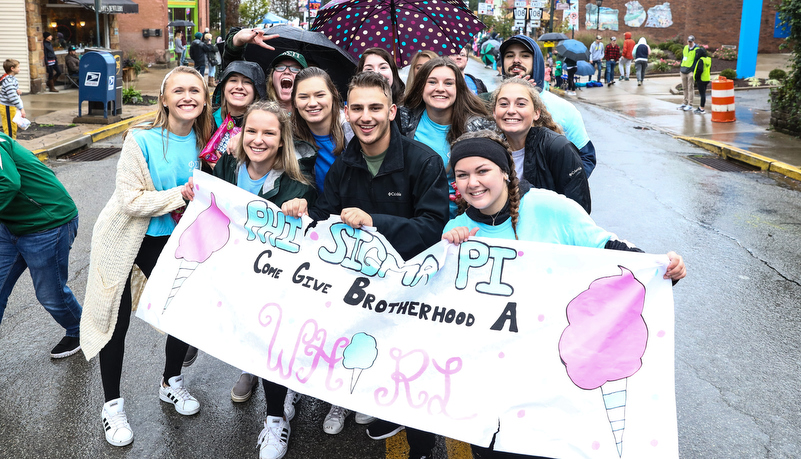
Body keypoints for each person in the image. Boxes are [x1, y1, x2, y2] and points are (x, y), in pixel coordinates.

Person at [442, 131, 686, 459]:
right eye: (462, 175)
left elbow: (611, 253)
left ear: (504, 170)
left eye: (482, 170)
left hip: (554, 376)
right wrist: (450, 246)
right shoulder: (455, 233)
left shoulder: (550, 207)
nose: (472, 182)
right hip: (492, 385)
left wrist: (661, 269)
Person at [281, 71, 449, 459]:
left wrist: (375, 222)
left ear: (392, 110)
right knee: (377, 371)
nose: (365, 116)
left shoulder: (424, 162)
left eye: (375, 107)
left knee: (413, 379)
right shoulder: (343, 164)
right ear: (347, 112)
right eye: (356, 108)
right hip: (361, 293)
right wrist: (301, 212)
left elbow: (434, 229)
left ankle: (423, 449)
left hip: (413, 292)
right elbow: (323, 220)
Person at [80, 66, 213, 447]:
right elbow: (131, 200)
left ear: (205, 100)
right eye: (179, 91)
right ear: (164, 98)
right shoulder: (140, 139)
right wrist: (181, 195)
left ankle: (171, 382)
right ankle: (112, 406)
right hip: (127, 239)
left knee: (181, 317)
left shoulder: (209, 143)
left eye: (195, 91)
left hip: (174, 245)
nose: (187, 97)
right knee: (114, 321)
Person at [182, 101, 316, 459]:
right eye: (252, 131)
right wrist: (194, 194)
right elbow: (209, 205)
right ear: (241, 134)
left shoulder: (296, 182)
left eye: (269, 132)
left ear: (282, 138)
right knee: (249, 344)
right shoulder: (226, 164)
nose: (259, 139)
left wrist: (299, 208)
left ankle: (275, 421)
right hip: (232, 275)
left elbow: (303, 232)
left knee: (270, 344)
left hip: (272, 284)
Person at [0, 133, 82, 358]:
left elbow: (8, 182)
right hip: (10, 223)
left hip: (47, 223)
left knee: (50, 295)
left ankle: (79, 330)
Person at [399, 57, 494, 218]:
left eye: (448, 83)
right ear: (421, 86)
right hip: (416, 219)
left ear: (459, 88)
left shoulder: (479, 128)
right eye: (432, 82)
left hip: (464, 221)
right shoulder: (402, 121)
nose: (440, 88)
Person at [496, 35, 597, 178]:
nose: (516, 60)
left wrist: (563, 190)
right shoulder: (489, 105)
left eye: (525, 55)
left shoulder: (563, 108)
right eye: (509, 55)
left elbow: (586, 157)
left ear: (536, 61)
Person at [491, 78, 591, 214]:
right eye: (503, 104)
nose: (511, 110)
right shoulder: (489, 151)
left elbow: (579, 209)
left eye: (521, 104)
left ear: (536, 113)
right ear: (494, 112)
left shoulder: (558, 148)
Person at [292, 66, 351, 193]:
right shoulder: (289, 136)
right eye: (303, 97)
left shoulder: (354, 130)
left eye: (320, 95)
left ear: (334, 94)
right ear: (295, 102)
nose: (312, 103)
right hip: (317, 210)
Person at [0, 60, 26, 139]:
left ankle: (12, 145)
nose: (19, 69)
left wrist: (18, 91)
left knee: (13, 126)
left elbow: (12, 92)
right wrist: (21, 108)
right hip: (7, 106)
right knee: (10, 129)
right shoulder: (9, 81)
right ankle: (9, 148)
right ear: (12, 68)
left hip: (10, 106)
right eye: (18, 67)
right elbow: (12, 97)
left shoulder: (11, 79)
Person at [678, 35, 700, 111]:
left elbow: (697, 61)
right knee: (684, 87)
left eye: (691, 41)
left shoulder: (697, 49)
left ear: (693, 41)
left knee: (690, 88)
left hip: (691, 71)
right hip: (683, 70)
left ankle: (690, 104)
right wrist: (681, 68)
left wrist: (694, 71)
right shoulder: (685, 48)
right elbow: (683, 58)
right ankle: (684, 102)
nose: (689, 43)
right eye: (689, 41)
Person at [693, 47, 711, 115]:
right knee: (703, 94)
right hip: (706, 78)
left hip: (701, 79)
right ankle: (701, 107)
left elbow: (700, 70)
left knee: (702, 94)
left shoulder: (701, 60)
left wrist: (696, 77)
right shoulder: (708, 59)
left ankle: (702, 108)